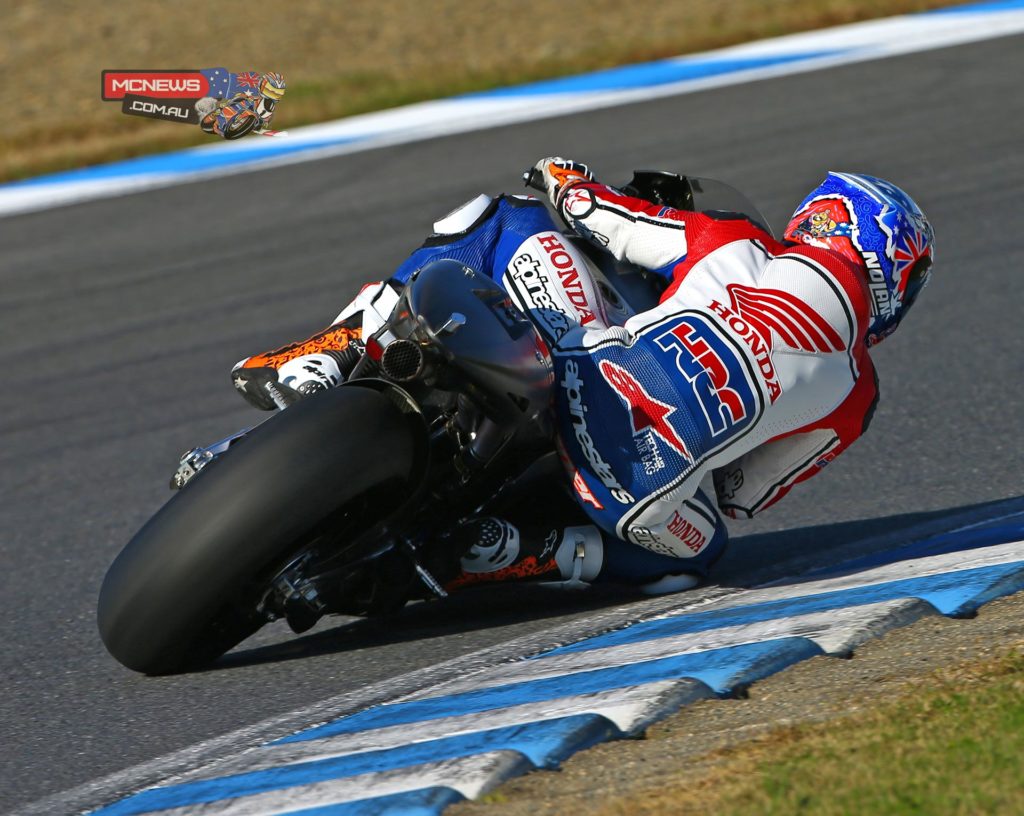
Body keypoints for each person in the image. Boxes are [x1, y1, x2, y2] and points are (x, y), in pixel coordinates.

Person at [231, 158, 934, 595]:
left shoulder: (738, 243)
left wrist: (564, 177)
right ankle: (521, 551)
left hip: (572, 376)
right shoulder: (856, 396)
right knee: (704, 550)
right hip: (628, 496)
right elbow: (742, 493)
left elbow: (602, 219)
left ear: (820, 219)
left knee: (496, 218)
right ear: (894, 279)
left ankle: (333, 351)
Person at [197, 72, 286, 140]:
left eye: (277, 93)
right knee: (239, 98)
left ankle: (247, 123)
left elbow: (267, 116)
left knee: (268, 116)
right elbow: (245, 95)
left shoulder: (270, 109)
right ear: (262, 86)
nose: (273, 95)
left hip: (250, 118)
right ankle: (220, 111)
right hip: (242, 107)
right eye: (271, 91)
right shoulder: (254, 94)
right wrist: (245, 97)